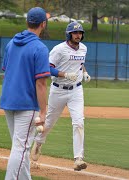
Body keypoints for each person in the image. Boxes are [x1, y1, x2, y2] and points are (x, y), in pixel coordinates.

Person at [31, 22, 91, 171]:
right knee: (49, 122)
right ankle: (38, 143)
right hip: (58, 90)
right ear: (69, 34)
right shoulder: (59, 49)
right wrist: (65, 74)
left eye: (80, 33)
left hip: (76, 90)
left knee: (79, 122)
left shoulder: (83, 48)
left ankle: (78, 158)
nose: (78, 35)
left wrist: (84, 72)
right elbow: (47, 67)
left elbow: (79, 62)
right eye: (75, 33)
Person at [0, 7, 50, 180]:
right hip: (27, 104)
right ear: (43, 24)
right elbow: (41, 83)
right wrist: (43, 112)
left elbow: (7, 71)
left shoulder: (11, 43)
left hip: (8, 100)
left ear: (27, 22)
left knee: (19, 147)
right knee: (20, 148)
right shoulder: (40, 48)